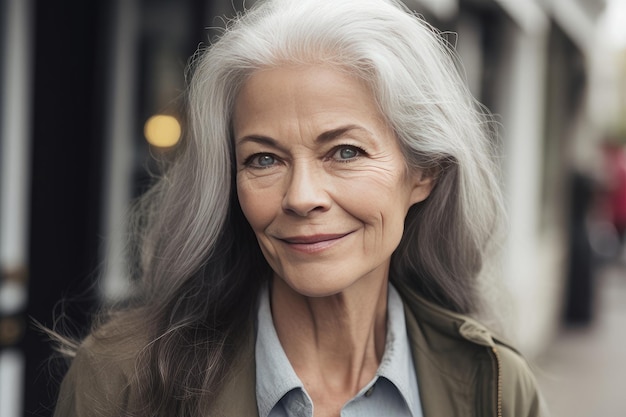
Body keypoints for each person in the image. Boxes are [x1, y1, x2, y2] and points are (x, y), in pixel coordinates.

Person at [54, 0, 544, 415]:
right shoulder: (122, 380)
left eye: (345, 152)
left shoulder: (497, 386)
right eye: (264, 159)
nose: (301, 196)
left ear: (423, 172)